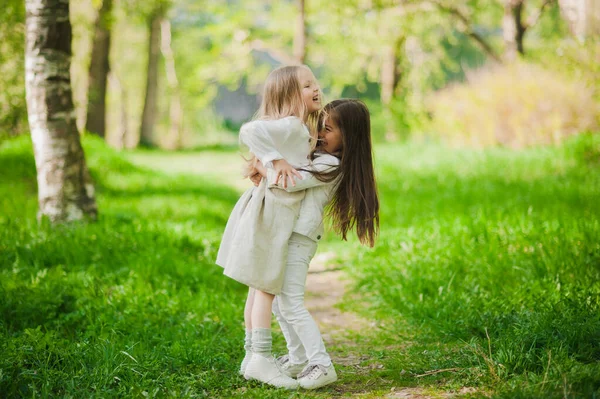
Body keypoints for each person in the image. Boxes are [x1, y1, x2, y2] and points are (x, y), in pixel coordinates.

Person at [248, 99, 380, 389]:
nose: (319, 133)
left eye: (328, 129)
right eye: (320, 125)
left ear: (349, 137)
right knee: (281, 305)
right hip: (289, 236)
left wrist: (264, 163)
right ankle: (297, 358)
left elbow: (290, 182)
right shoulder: (319, 156)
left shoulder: (330, 163)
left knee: (291, 303)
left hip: (299, 240)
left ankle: (321, 363)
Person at [216, 65, 322, 389]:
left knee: (256, 285)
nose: (315, 88)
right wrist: (274, 160)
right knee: (265, 286)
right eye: (305, 86)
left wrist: (271, 159)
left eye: (314, 82)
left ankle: (252, 355)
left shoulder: (297, 127)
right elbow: (249, 131)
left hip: (269, 206)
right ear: (289, 96)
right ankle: (261, 358)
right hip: (275, 209)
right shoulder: (291, 126)